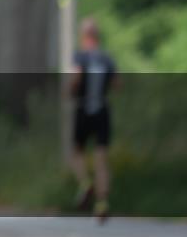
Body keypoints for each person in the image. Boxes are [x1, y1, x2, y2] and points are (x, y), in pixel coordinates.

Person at [69, 18, 116, 222]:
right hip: (102, 109)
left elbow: (76, 78)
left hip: (83, 108)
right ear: (97, 36)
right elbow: (117, 84)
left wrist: (69, 90)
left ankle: (85, 184)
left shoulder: (80, 56)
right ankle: (102, 203)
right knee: (101, 159)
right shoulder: (107, 58)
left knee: (77, 151)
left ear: (84, 36)